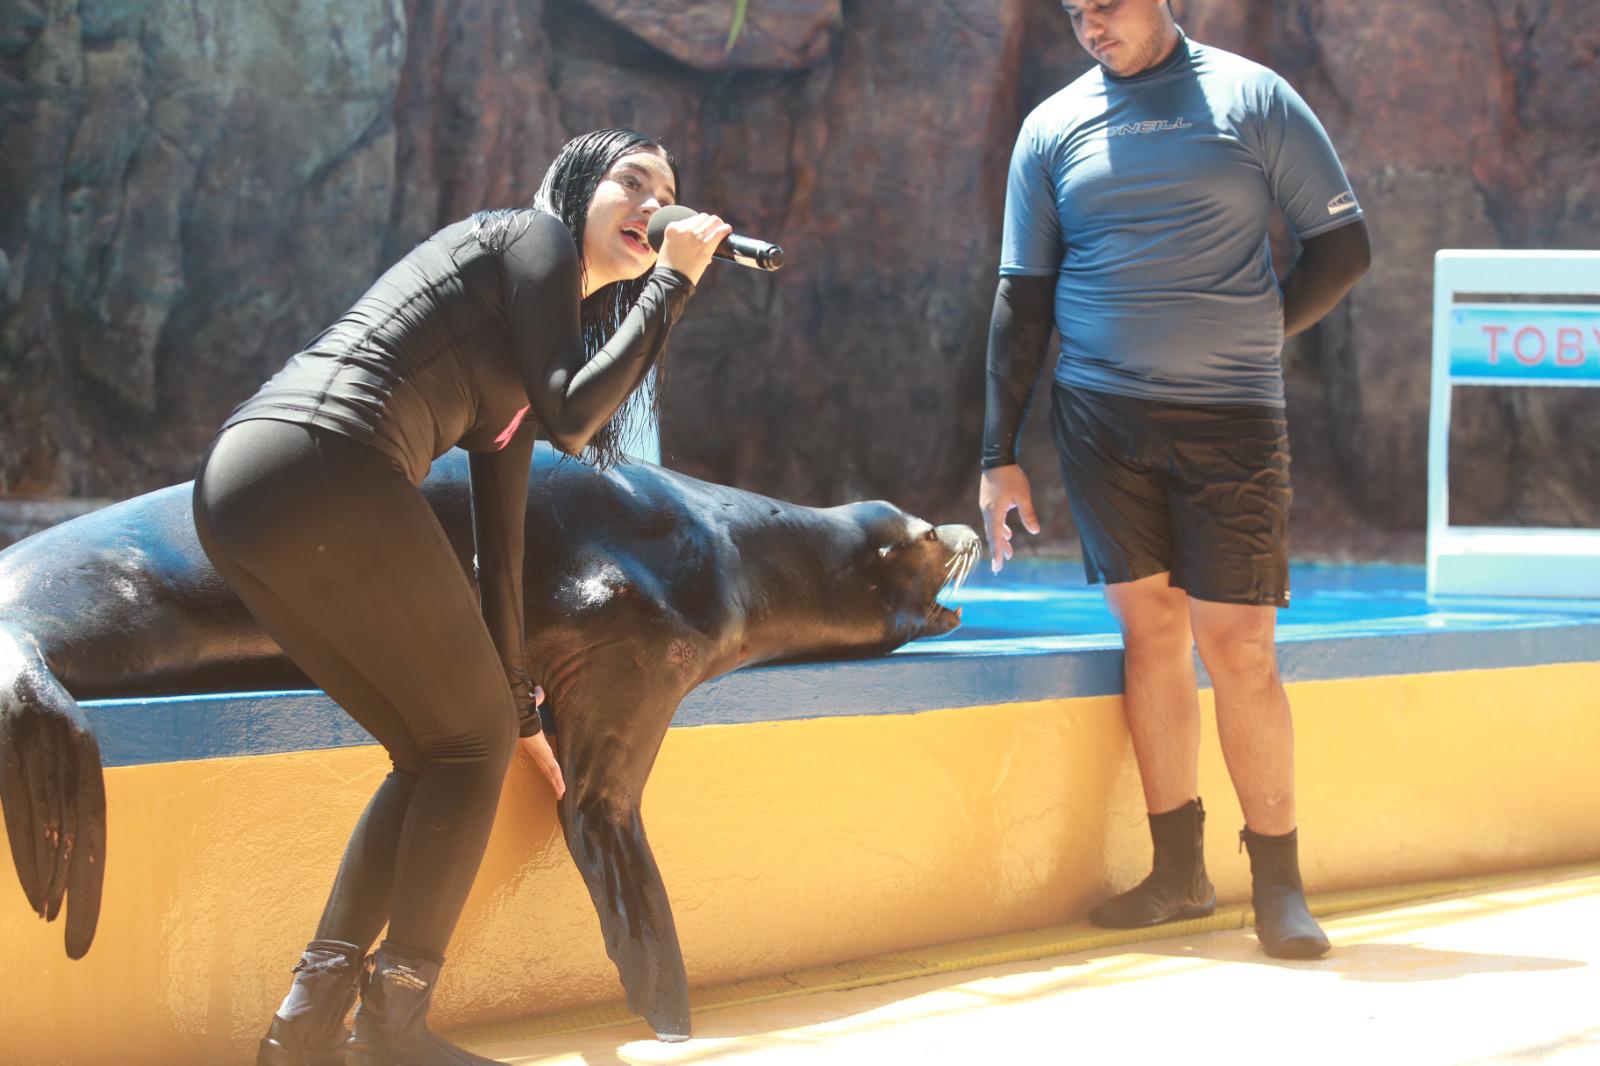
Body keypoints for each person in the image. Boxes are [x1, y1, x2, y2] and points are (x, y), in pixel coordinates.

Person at [193, 128, 731, 1065]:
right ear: (573, 189)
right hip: (321, 458)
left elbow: (501, 549)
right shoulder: (533, 239)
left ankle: (306, 1029)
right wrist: (674, 284)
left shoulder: (525, 359)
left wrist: (520, 707)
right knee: (462, 741)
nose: (654, 204)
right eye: (631, 182)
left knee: (439, 747)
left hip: (251, 494)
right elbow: (575, 417)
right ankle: (392, 1030)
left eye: (669, 191)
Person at [979, 0, 1370, 959]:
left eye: (1105, 5)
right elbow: (1021, 294)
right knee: (1150, 629)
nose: (1090, 25)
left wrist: (1257, 331)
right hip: (1100, 419)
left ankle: (1277, 884)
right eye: (1074, 12)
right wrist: (998, 453)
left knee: (1238, 644)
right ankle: (1177, 875)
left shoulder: (1251, 97)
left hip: (1233, 418)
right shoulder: (1053, 124)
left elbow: (1345, 247)